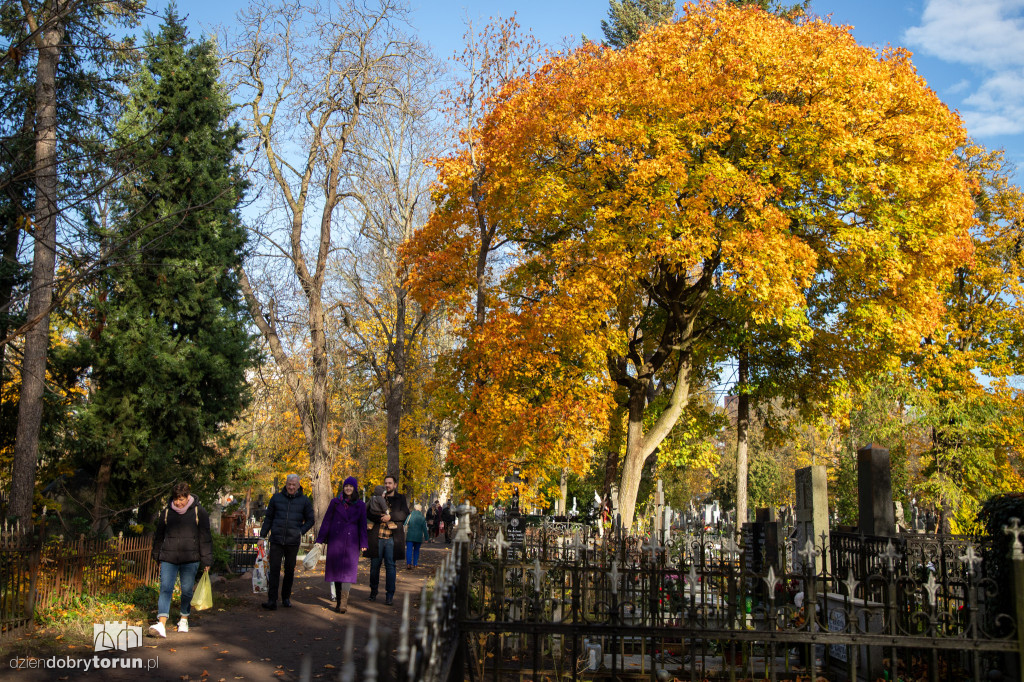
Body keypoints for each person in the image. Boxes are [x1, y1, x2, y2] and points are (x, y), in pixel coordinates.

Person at [149, 482, 213, 638]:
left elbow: (205, 537)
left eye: (181, 499)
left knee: (186, 591)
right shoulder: (166, 512)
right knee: (165, 588)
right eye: (176, 498)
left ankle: (184, 618)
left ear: (188, 496)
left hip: (190, 559)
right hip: (168, 557)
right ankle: (161, 623)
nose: (178, 502)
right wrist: (156, 555)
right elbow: (159, 536)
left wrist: (207, 560)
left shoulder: (199, 512)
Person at [259, 474, 314, 610]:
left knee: (289, 570)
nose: (291, 487)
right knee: (274, 570)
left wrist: (300, 531)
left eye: (293, 485)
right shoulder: (276, 498)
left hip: (292, 541)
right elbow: (269, 518)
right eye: (289, 484)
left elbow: (311, 519)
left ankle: (286, 597)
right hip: (277, 540)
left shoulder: (304, 501)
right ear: (286, 484)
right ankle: (272, 599)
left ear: (298, 485)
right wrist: (262, 536)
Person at [314, 476, 367, 613]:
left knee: (348, 572)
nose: (348, 488)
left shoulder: (360, 505)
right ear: (343, 488)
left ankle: (344, 602)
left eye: (351, 486)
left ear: (354, 488)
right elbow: (326, 521)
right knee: (336, 572)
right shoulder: (335, 503)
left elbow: (363, 525)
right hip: (336, 541)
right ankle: (338, 601)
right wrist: (320, 540)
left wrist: (364, 543)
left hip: (352, 542)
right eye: (346, 486)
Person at [366, 474, 409, 606]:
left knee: (390, 566)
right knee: (374, 567)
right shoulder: (376, 497)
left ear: (395, 485)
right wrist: (380, 517)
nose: (387, 485)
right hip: (377, 537)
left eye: (390, 483)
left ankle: (389, 595)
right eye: (385, 483)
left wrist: (390, 517)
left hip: (392, 538)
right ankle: (373, 592)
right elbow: (368, 513)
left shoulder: (400, 498)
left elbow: (404, 513)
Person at [404, 503, 429, 569]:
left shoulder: (410, 516)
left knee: (409, 550)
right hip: (418, 537)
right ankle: (415, 564)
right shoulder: (422, 517)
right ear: (420, 510)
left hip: (410, 536)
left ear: (414, 509)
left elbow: (405, 523)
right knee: (416, 550)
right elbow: (424, 528)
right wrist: (426, 538)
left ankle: (408, 564)